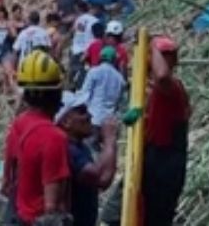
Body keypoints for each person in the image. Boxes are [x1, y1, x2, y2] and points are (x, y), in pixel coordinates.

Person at [101, 36, 190, 226]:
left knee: (153, 217)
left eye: (167, 55)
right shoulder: (149, 90)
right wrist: (141, 113)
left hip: (164, 164)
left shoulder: (172, 87)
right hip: (149, 158)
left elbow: (163, 76)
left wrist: (150, 44)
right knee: (116, 215)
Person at [2, 50, 70, 226]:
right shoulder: (54, 137)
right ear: (56, 94)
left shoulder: (20, 122)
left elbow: (9, 176)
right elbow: (51, 206)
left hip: (16, 214)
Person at [55, 92, 117, 226]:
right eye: (82, 112)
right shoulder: (69, 150)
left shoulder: (81, 147)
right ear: (66, 122)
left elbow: (103, 180)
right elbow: (101, 178)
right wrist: (109, 139)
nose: (90, 116)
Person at [79, 46, 125, 139]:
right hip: (109, 122)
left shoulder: (94, 72)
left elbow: (84, 94)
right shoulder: (120, 79)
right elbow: (120, 103)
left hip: (93, 118)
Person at [69, 1, 97, 88]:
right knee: (87, 75)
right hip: (89, 51)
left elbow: (72, 33)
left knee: (75, 76)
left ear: (78, 9)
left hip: (77, 51)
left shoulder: (78, 20)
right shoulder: (94, 20)